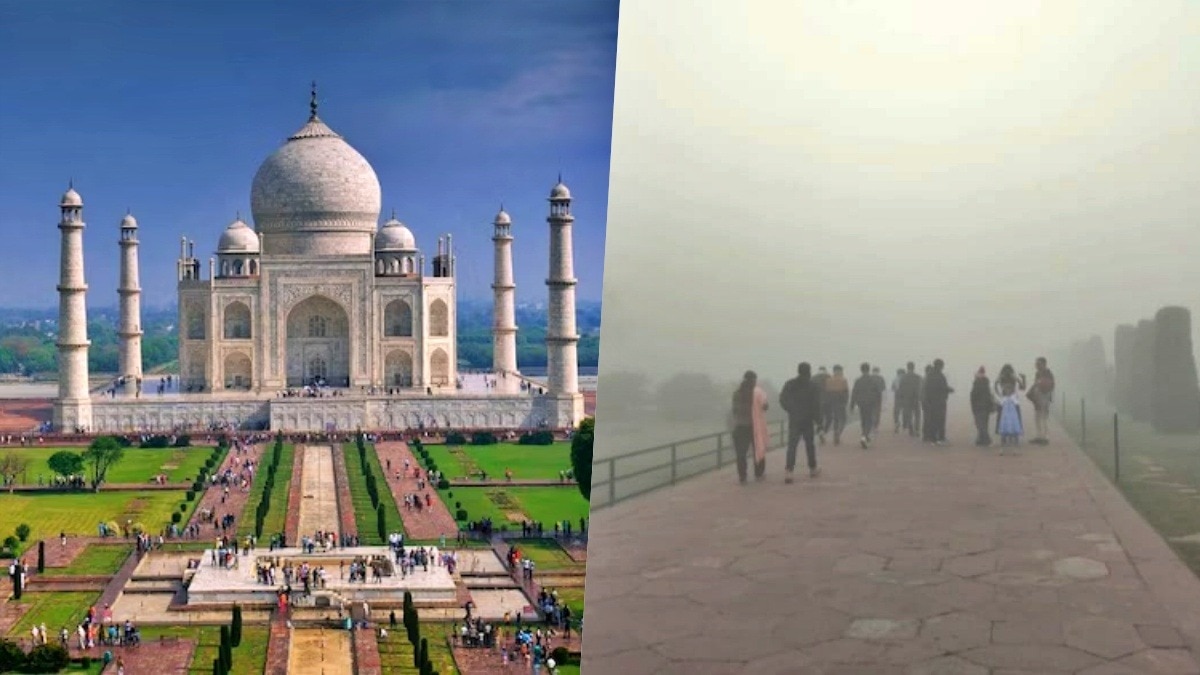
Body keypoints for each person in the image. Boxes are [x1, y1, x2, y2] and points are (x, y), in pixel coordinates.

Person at [779, 362, 822, 483]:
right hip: (808, 419)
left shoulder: (790, 384)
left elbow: (782, 399)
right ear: (809, 372)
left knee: (792, 446)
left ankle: (789, 471)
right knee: (810, 445)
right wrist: (819, 421)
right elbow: (816, 405)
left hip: (795, 419)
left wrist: (791, 409)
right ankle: (812, 469)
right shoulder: (813, 386)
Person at [730, 370, 770, 483]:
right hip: (754, 426)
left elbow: (734, 410)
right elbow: (765, 407)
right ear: (753, 380)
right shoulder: (757, 392)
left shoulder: (737, 393)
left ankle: (742, 476)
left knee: (741, 453)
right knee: (758, 449)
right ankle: (759, 473)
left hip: (740, 426)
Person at [850, 363, 882, 449]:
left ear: (861, 370)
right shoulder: (873, 380)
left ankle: (865, 435)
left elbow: (854, 393)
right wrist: (879, 403)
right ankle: (864, 436)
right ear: (869, 369)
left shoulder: (858, 381)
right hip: (871, 403)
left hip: (861, 403)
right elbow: (878, 393)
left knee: (864, 419)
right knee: (869, 420)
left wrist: (852, 405)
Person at [923, 359, 954, 445]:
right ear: (940, 366)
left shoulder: (930, 375)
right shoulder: (939, 375)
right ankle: (940, 437)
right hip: (939, 401)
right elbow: (942, 387)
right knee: (940, 420)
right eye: (942, 365)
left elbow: (928, 388)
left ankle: (933, 437)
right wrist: (949, 390)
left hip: (931, 401)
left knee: (933, 420)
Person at [1029, 357, 1055, 445]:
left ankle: (1045, 437)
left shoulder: (1048, 373)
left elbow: (1051, 385)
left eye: (1038, 364)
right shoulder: (1037, 373)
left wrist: (1046, 393)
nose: (1036, 365)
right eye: (1036, 364)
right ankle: (1039, 436)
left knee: (1044, 417)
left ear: (1044, 364)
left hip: (1044, 396)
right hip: (1037, 397)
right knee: (1037, 417)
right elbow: (1035, 383)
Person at [822, 365, 850, 446]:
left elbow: (827, 392)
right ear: (840, 371)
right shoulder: (843, 380)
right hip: (841, 402)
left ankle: (835, 435)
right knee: (843, 419)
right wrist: (845, 402)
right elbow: (846, 392)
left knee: (836, 419)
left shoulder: (828, 380)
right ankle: (838, 432)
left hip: (832, 402)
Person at [969, 367, 995, 447]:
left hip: (978, 407)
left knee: (980, 424)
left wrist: (973, 406)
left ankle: (986, 440)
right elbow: (989, 395)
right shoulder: (986, 383)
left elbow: (973, 396)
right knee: (984, 423)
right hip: (986, 406)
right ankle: (981, 439)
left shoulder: (977, 383)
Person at [897, 362, 922, 437]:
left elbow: (900, 388)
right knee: (917, 414)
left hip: (906, 398)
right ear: (914, 367)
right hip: (915, 398)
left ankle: (911, 428)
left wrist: (901, 398)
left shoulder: (903, 377)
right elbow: (920, 388)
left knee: (909, 414)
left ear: (907, 367)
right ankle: (917, 429)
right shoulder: (918, 377)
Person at [891, 368, 905, 433]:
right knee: (905, 410)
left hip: (898, 396)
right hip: (905, 397)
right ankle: (905, 423)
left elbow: (892, 388)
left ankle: (897, 422)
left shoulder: (895, 379)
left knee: (896, 411)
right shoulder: (906, 379)